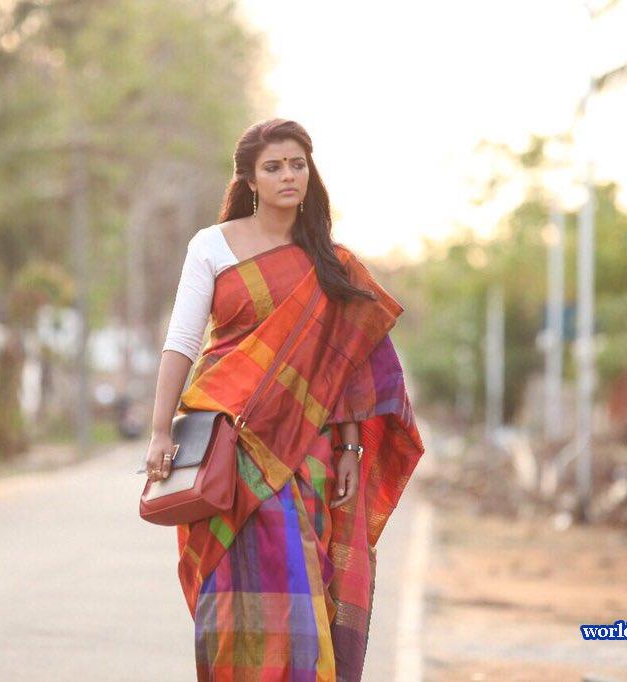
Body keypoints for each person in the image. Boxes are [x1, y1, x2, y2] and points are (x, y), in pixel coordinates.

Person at [145, 118, 425, 681]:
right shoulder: (212, 245)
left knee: (302, 586)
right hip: (227, 443)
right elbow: (182, 342)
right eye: (273, 167)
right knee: (230, 595)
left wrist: (351, 449)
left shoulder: (331, 263)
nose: (288, 175)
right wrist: (158, 431)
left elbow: (348, 368)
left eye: (297, 164)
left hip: (307, 450)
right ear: (250, 179)